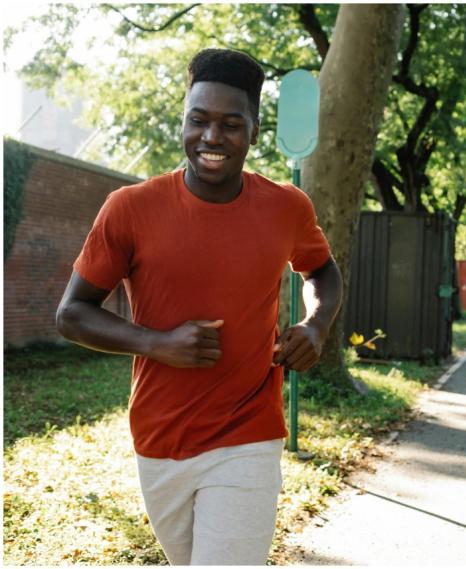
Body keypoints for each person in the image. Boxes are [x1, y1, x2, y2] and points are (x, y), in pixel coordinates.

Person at [55, 48, 342, 565]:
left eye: (231, 124)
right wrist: (156, 343)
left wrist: (317, 324)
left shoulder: (286, 208)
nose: (212, 138)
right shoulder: (129, 209)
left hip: (249, 431)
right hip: (159, 435)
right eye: (199, 120)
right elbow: (72, 313)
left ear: (255, 131)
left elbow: (321, 269)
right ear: (183, 121)